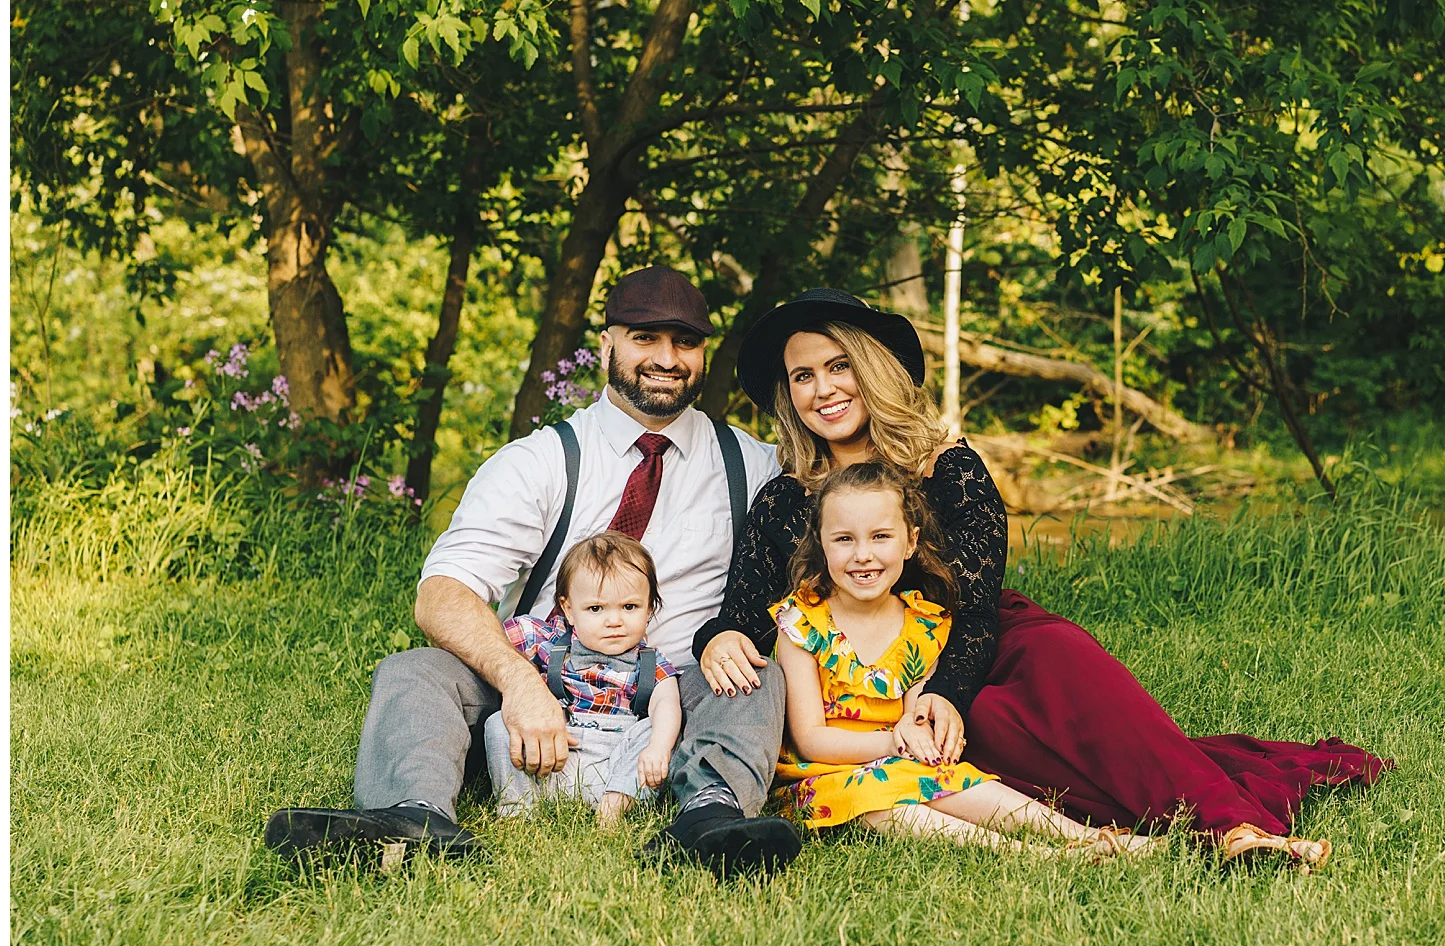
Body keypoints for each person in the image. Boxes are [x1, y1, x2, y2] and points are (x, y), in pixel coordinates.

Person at [696, 286, 1388, 867]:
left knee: (1058, 666)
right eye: (803, 376)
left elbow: (976, 605)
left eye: (837, 365)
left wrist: (943, 696)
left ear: (871, 368)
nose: (824, 389)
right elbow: (745, 609)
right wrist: (718, 637)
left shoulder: (947, 465)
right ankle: (1123, 825)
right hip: (873, 682)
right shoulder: (788, 496)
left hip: (977, 643)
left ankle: (1234, 826)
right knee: (1007, 741)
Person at [263, 266, 803, 879]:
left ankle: (711, 819)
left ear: (704, 352)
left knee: (757, 680)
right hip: (540, 673)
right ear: (607, 344)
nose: (667, 357)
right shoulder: (540, 461)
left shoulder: (754, 467)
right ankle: (409, 816)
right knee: (415, 670)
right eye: (644, 337)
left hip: (668, 692)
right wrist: (520, 685)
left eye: (685, 341)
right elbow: (443, 594)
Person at [771, 460, 1149, 859]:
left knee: (960, 781)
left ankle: (1092, 837)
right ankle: (1040, 856)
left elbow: (915, 712)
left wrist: (918, 734)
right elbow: (810, 740)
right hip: (823, 775)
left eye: (880, 536)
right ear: (821, 544)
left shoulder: (922, 626)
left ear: (910, 542)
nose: (863, 555)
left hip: (901, 760)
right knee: (885, 803)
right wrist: (896, 744)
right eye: (844, 539)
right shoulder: (801, 625)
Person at [487, 531, 680, 829]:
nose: (614, 620)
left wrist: (658, 748)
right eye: (596, 608)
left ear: (649, 608)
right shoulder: (547, 642)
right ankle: (518, 807)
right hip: (555, 756)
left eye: (629, 607)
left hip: (615, 766)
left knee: (658, 728)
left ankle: (613, 808)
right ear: (568, 610)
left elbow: (666, 703)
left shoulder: (652, 662)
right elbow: (492, 643)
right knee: (499, 722)